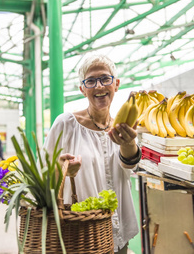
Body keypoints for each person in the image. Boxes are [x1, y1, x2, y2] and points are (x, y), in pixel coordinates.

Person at [42, 54, 141, 254]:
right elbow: (44, 176)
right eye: (91, 81)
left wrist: (129, 143)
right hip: (80, 236)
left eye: (105, 78)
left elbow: (130, 166)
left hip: (119, 234)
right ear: (82, 89)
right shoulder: (66, 124)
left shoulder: (123, 126)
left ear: (116, 84)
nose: (99, 86)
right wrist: (63, 170)